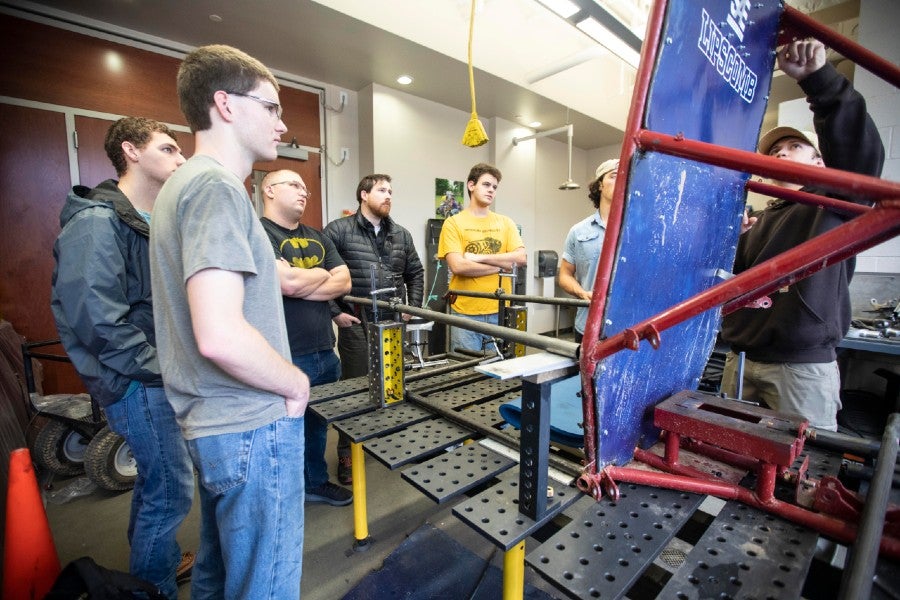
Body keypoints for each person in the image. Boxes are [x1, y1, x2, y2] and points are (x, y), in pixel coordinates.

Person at [149, 45, 311, 599]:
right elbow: (218, 331)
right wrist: (295, 381)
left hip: (215, 422)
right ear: (225, 104)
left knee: (222, 581)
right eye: (271, 107)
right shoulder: (215, 187)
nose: (282, 123)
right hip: (249, 423)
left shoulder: (185, 185)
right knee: (264, 586)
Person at [50, 117, 194, 599]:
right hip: (139, 382)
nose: (182, 159)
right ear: (131, 151)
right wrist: (166, 370)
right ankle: (153, 588)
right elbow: (98, 320)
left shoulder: (152, 221)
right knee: (171, 489)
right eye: (171, 149)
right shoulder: (97, 221)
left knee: (160, 484)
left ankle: (159, 562)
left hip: (157, 375)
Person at [720, 39, 885, 431]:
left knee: (801, 474)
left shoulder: (834, 205)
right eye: (775, 150)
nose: (781, 153)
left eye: (795, 146)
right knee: (725, 461)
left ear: (819, 161)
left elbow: (859, 163)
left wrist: (820, 82)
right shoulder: (754, 220)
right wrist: (726, 242)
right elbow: (723, 283)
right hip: (740, 359)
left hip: (801, 367)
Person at [259, 168, 353, 506]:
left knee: (316, 426)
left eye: (305, 187)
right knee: (282, 430)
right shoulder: (257, 232)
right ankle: (283, 493)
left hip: (324, 350)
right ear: (269, 189)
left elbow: (344, 283)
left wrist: (301, 279)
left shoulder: (318, 235)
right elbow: (287, 284)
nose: (303, 192)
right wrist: (320, 274)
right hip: (283, 352)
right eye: (294, 185)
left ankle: (314, 482)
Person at [323, 174, 425, 483]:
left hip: (392, 322)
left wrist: (410, 310)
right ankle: (346, 453)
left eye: (391, 191)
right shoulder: (338, 231)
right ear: (364, 195)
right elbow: (321, 274)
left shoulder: (401, 235)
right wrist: (335, 313)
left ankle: (384, 440)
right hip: (356, 321)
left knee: (390, 384)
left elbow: (416, 273)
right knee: (356, 388)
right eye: (382, 190)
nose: (388, 195)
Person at [437, 163, 526, 352]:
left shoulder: (506, 223)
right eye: (486, 185)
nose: (491, 190)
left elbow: (520, 258)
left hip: (500, 312)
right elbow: (458, 266)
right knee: (465, 374)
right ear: (471, 185)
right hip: (465, 314)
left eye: (494, 187)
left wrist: (477, 258)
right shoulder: (453, 223)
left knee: (497, 374)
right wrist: (502, 266)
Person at [558, 159, 619, 343]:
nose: (621, 180)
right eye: (614, 176)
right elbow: (565, 275)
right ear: (600, 185)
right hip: (587, 326)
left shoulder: (639, 229)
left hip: (626, 328)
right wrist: (582, 293)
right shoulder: (579, 231)